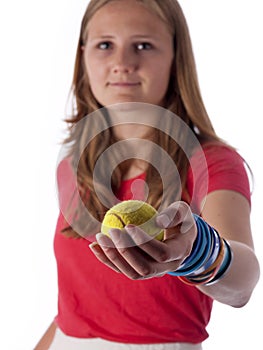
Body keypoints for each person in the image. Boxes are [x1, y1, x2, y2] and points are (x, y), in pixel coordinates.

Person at [35, 0, 260, 349]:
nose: (122, 63)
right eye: (105, 44)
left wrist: (194, 251)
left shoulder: (212, 162)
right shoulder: (74, 163)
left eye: (143, 45)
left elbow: (243, 283)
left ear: (176, 57)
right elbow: (74, 311)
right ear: (83, 57)